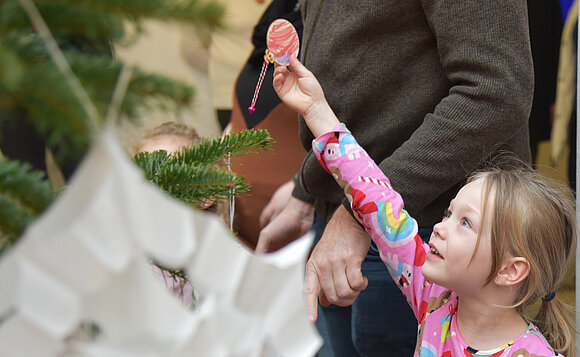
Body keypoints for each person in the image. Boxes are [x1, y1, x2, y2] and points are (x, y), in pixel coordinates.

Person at [257, 1, 535, 356]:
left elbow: (497, 90)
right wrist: (307, 188)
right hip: (349, 213)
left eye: (459, 219)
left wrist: (358, 217)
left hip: (411, 220)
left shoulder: (432, 261)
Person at [224, 0, 306, 250]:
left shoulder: (331, 25)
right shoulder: (278, 14)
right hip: (237, 233)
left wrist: (303, 188)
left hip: (295, 233)